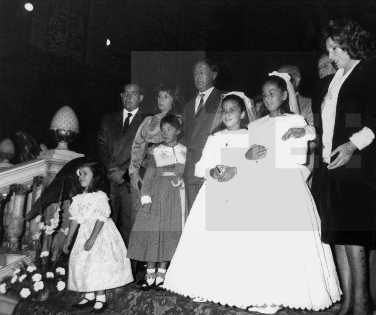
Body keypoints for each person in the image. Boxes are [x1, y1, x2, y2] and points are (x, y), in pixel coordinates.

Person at [164, 87, 341, 314]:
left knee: (236, 246)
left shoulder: (252, 134)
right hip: (215, 192)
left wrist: (305, 130)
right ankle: (203, 286)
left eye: (232, 110)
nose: (227, 115)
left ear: (243, 114)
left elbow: (258, 161)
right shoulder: (214, 137)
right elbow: (200, 166)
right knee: (208, 243)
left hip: (241, 191)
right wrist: (212, 172)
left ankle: (234, 290)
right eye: (224, 111)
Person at [311, 19, 376, 315]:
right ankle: (348, 300)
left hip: (358, 158)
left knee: (353, 232)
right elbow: (329, 121)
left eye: (335, 48)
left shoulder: (373, 66)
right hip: (331, 161)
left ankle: (362, 302)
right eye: (328, 49)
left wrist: (351, 146)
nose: (331, 55)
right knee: (337, 232)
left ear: (351, 42)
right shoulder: (336, 78)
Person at [63, 160, 133, 313]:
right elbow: (75, 219)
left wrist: (92, 239)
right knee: (83, 263)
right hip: (84, 234)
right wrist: (68, 239)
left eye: (85, 174)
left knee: (97, 264)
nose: (81, 177)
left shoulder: (100, 196)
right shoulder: (78, 198)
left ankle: (101, 297)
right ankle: (89, 294)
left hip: (99, 234)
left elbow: (101, 219)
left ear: (95, 177)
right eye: (80, 174)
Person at [127, 115, 186, 292]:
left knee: (170, 234)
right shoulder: (157, 151)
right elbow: (148, 178)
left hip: (176, 198)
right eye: (163, 129)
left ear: (178, 131)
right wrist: (146, 198)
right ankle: (150, 274)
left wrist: (181, 181)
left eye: (169, 129)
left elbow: (185, 173)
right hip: (158, 196)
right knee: (153, 234)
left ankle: (162, 275)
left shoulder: (184, 150)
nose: (165, 133)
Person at [97, 82, 147, 245]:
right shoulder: (109, 119)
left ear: (141, 97)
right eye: (125, 93)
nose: (129, 97)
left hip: (130, 181)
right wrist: (112, 169)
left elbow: (146, 150)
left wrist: (123, 171)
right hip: (110, 181)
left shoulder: (148, 121)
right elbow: (101, 146)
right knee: (105, 225)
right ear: (121, 96)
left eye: (133, 94)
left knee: (129, 228)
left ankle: (129, 270)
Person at [182, 59, 227, 210]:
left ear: (213, 75)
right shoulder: (188, 105)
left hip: (214, 167)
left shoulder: (224, 98)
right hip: (191, 171)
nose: (198, 77)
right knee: (194, 219)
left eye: (202, 72)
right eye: (195, 73)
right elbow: (185, 136)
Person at [278, 65, 316, 187]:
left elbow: (314, 140)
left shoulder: (310, 104)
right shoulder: (271, 107)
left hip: (300, 171)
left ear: (298, 79)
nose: (282, 82)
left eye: (287, 77)